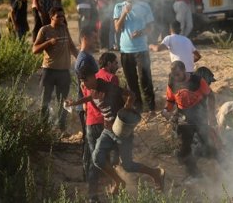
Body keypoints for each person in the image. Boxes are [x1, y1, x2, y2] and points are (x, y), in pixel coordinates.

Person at [66, 63, 165, 195]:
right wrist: (75, 103)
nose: (83, 84)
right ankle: (119, 182)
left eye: (85, 80)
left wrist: (126, 108)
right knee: (97, 159)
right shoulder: (92, 89)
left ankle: (156, 173)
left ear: (93, 77)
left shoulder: (108, 87)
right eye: (81, 81)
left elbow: (131, 95)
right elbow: (91, 97)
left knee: (127, 166)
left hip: (122, 132)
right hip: (108, 130)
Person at [162, 61, 217, 178]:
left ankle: (222, 164)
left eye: (178, 74)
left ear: (184, 71)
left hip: (200, 116)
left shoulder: (197, 81)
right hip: (183, 119)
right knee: (185, 146)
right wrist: (166, 110)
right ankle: (194, 173)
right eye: (174, 74)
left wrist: (212, 115)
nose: (176, 77)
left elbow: (211, 96)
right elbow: (170, 101)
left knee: (207, 142)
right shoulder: (172, 82)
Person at [33, 7, 78, 134]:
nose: (62, 18)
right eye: (58, 16)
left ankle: (61, 128)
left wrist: (81, 60)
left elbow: (71, 46)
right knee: (45, 100)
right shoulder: (44, 30)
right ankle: (43, 128)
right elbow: (34, 49)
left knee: (64, 101)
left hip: (64, 71)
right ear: (51, 17)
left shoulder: (64, 28)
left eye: (63, 16)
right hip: (49, 71)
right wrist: (48, 43)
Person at [114, 0, 156, 114]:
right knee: (131, 81)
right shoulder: (118, 7)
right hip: (126, 50)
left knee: (145, 79)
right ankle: (139, 109)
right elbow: (117, 28)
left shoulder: (144, 6)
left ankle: (151, 108)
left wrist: (141, 32)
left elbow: (151, 27)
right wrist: (124, 13)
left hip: (141, 49)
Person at [73, 26, 101, 202]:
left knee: (90, 145)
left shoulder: (86, 57)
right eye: (93, 36)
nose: (96, 39)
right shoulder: (84, 60)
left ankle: (90, 177)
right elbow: (85, 86)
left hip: (88, 105)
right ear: (85, 37)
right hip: (87, 107)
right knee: (92, 148)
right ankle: (92, 189)